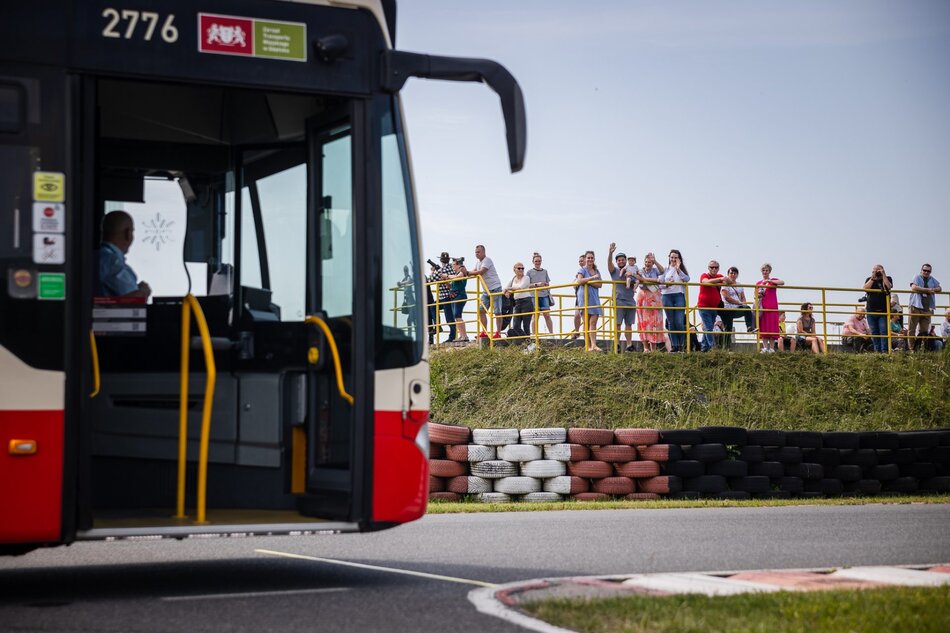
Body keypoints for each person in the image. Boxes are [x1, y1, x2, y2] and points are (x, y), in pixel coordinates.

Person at [98, 210, 151, 298]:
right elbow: (134, 300)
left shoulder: (94, 256)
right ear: (128, 234)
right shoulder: (113, 262)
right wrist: (143, 291)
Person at [607, 243, 639, 352]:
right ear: (617, 262)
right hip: (619, 300)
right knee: (618, 324)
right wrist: (610, 253)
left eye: (622, 260)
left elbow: (640, 278)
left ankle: (629, 345)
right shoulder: (614, 271)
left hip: (630, 300)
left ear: (626, 261)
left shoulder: (631, 270)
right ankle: (617, 344)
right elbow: (609, 264)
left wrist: (633, 275)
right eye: (619, 260)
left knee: (629, 324)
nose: (621, 261)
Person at [658, 249, 690, 352]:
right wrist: (667, 284)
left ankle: (681, 344)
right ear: (669, 258)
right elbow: (660, 284)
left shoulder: (681, 269)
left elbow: (686, 279)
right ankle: (675, 345)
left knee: (679, 322)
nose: (673, 259)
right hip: (667, 296)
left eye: (675, 257)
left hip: (679, 296)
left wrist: (678, 268)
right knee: (671, 322)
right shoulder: (665, 269)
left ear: (679, 259)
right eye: (672, 257)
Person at [470, 244, 504, 338]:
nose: (477, 254)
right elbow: (473, 272)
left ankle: (498, 333)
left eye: (478, 252)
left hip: (495, 288)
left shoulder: (487, 260)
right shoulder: (478, 263)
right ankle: (484, 332)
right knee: (481, 310)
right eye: (476, 252)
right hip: (486, 291)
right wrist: (464, 272)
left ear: (484, 252)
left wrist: (468, 273)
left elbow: (481, 271)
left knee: (497, 312)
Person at [720, 266, 757, 348]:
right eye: (731, 273)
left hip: (737, 308)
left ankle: (749, 327)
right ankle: (725, 348)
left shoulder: (739, 285)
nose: (733, 275)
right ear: (728, 274)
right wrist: (739, 302)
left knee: (747, 308)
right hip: (727, 309)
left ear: (737, 275)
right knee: (728, 329)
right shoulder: (725, 285)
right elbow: (727, 297)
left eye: (735, 273)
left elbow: (743, 297)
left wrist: (743, 303)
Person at [635, 252, 664, 352]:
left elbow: (662, 272)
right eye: (646, 262)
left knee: (654, 323)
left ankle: (653, 348)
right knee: (643, 322)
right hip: (643, 296)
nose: (648, 264)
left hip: (654, 296)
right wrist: (654, 280)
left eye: (650, 262)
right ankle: (645, 347)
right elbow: (640, 279)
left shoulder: (655, 270)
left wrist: (655, 261)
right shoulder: (640, 270)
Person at [908, 263, 942, 352]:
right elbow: (913, 287)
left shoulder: (932, 279)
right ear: (921, 270)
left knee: (924, 331)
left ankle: (920, 349)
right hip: (915, 306)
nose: (926, 272)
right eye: (924, 270)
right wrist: (927, 290)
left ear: (930, 272)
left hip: (927, 308)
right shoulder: (916, 277)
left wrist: (933, 289)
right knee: (912, 329)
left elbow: (939, 288)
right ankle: (912, 349)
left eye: (928, 271)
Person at [696, 259, 727, 352]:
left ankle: (704, 349)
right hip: (704, 307)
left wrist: (725, 278)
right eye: (711, 267)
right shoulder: (704, 275)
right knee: (709, 328)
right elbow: (705, 282)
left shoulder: (720, 276)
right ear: (708, 268)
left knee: (708, 327)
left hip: (714, 307)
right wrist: (720, 280)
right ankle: (713, 348)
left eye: (716, 267)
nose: (713, 269)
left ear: (718, 268)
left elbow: (728, 281)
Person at [575, 250, 603, 352]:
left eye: (592, 258)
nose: (590, 259)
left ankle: (594, 345)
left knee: (593, 322)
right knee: (586, 323)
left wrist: (588, 281)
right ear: (586, 259)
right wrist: (592, 279)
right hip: (584, 298)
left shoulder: (597, 271)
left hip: (594, 298)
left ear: (594, 259)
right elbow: (579, 281)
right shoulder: (582, 269)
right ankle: (588, 346)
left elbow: (600, 284)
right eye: (588, 258)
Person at [863, 264, 893, 353]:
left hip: (883, 311)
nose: (877, 272)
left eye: (879, 270)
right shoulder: (869, 279)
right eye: (875, 270)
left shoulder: (888, 278)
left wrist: (883, 275)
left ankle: (884, 351)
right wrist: (873, 278)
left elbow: (888, 287)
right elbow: (865, 288)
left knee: (884, 332)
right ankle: (877, 351)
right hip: (871, 311)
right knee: (874, 332)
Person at [755, 263, 785, 352]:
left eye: (767, 270)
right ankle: (764, 347)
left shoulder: (773, 280)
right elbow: (755, 295)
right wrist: (759, 295)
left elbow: (782, 282)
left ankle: (771, 348)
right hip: (762, 307)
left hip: (772, 307)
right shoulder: (758, 283)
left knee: (772, 327)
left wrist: (769, 281)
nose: (765, 272)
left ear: (769, 271)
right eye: (763, 270)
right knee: (763, 327)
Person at [429, 251, 457, 343]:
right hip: (449, 296)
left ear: (441, 260)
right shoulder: (451, 268)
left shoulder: (441, 270)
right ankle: (439, 327)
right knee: (434, 307)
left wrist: (433, 271)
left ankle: (450, 335)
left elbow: (430, 279)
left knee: (449, 318)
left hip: (445, 297)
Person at [527, 252, 554, 335]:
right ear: (533, 262)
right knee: (535, 316)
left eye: (539, 261)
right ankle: (535, 335)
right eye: (536, 261)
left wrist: (545, 285)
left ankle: (551, 334)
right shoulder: (529, 272)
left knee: (547, 315)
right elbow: (527, 285)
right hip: (534, 296)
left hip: (544, 295)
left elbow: (548, 284)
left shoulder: (545, 271)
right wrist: (537, 285)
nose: (538, 263)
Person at [504, 262, 533, 338]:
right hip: (517, 303)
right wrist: (507, 292)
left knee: (526, 325)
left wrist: (509, 289)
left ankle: (528, 343)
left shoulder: (526, 278)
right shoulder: (513, 279)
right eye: (519, 268)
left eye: (522, 268)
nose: (521, 270)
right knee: (516, 326)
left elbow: (521, 287)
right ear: (514, 269)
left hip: (526, 302)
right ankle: (527, 341)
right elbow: (505, 288)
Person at [448, 258, 470, 342]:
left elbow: (457, 277)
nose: (452, 266)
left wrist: (447, 276)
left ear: (458, 265)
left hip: (460, 295)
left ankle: (464, 336)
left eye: (453, 264)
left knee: (458, 315)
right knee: (456, 316)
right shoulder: (456, 273)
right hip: (455, 296)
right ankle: (461, 335)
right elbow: (452, 285)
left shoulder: (462, 272)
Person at [567, 253, 586, 341]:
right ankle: (577, 332)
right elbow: (574, 284)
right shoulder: (579, 272)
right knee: (576, 315)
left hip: (587, 297)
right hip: (579, 297)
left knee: (585, 318)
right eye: (579, 261)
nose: (580, 263)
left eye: (582, 261)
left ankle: (586, 335)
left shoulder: (589, 271)